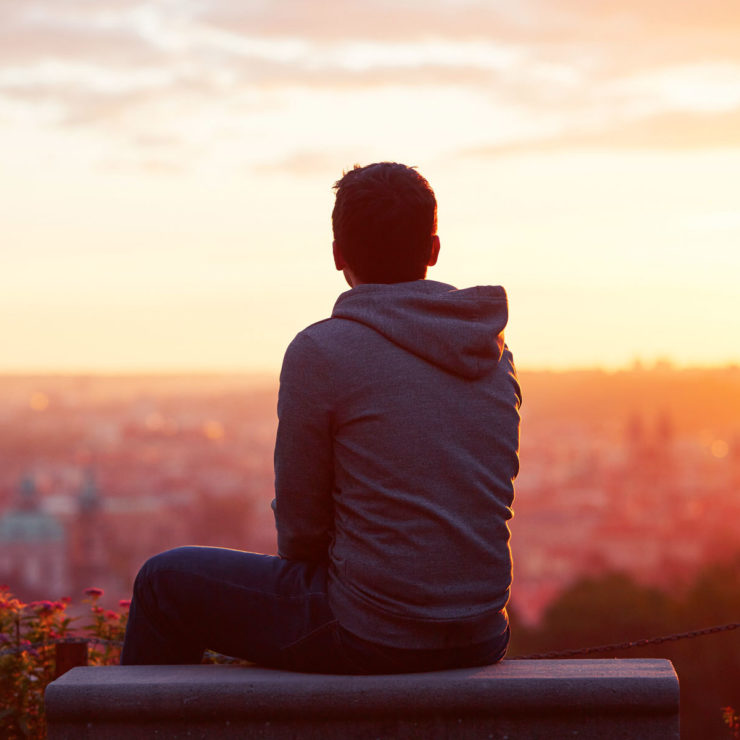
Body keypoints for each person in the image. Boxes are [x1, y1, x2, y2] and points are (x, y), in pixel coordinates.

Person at [121, 162, 521, 673]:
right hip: (483, 633)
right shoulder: (491, 350)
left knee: (163, 581)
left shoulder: (322, 351)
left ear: (337, 255)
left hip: (372, 632)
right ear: (434, 249)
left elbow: (302, 526)